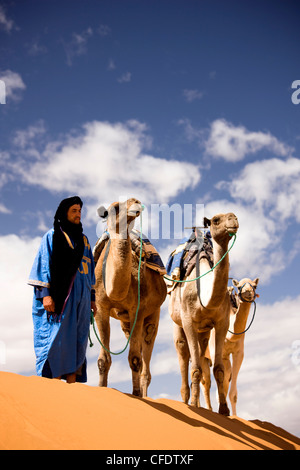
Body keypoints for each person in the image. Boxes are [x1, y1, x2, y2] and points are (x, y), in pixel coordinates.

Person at [28, 196, 97, 383]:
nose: (78, 214)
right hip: (61, 298)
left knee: (79, 339)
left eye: (80, 211)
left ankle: (72, 384)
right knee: (58, 339)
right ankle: (54, 385)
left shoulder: (84, 240)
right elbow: (42, 267)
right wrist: (45, 296)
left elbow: (90, 271)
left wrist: (92, 299)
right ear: (65, 212)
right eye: (74, 210)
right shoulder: (52, 236)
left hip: (82, 299)